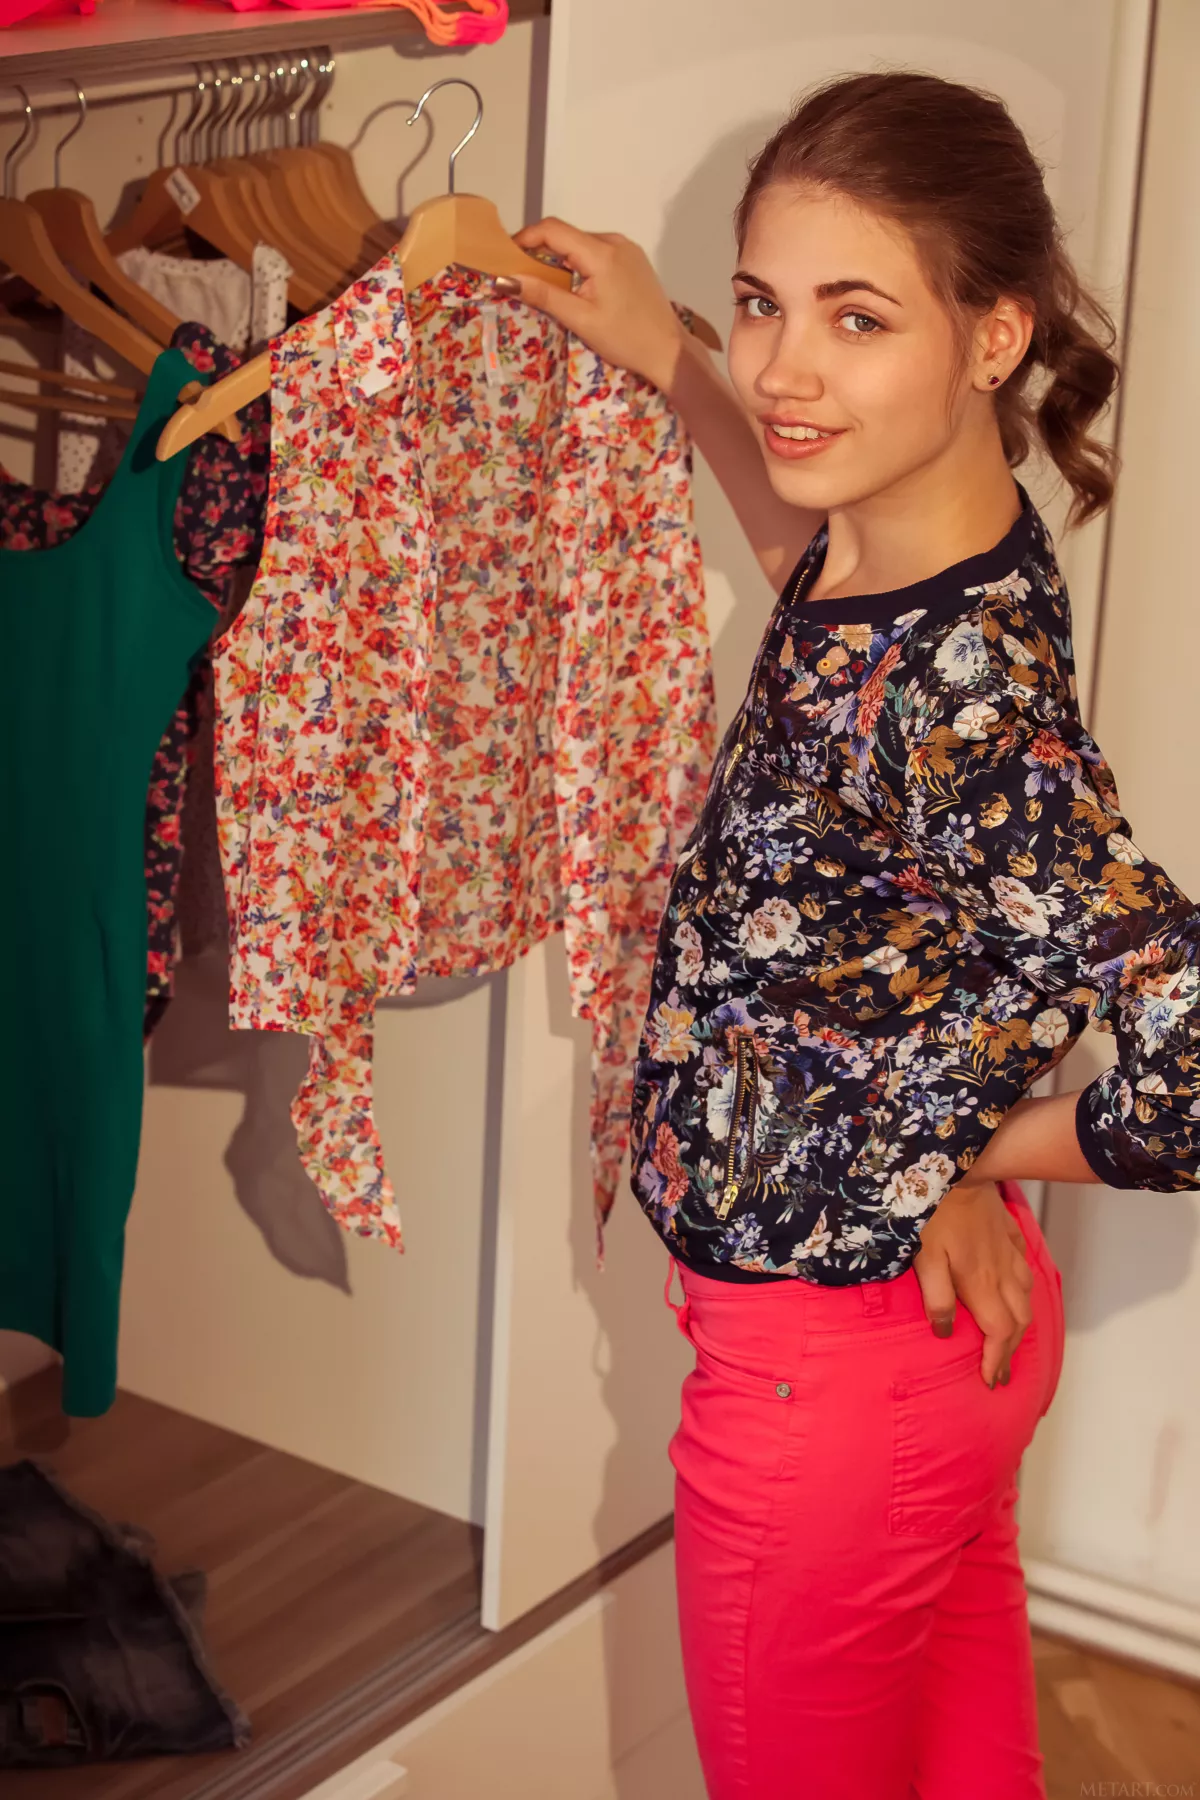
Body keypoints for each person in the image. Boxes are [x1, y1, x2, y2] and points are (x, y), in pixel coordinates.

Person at [502, 71, 1200, 1799]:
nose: (782, 370)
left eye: (857, 318)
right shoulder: (928, 556)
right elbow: (820, 598)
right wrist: (670, 354)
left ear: (992, 338)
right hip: (928, 1353)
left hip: (832, 1384)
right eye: (761, 304)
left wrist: (960, 1144)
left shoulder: (959, 701)